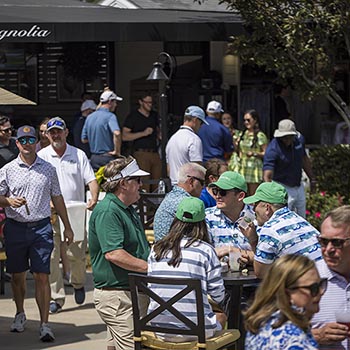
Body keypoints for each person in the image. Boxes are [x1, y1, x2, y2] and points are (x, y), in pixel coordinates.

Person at [0, 125, 74, 342]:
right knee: (17, 276)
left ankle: (44, 324)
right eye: (22, 141)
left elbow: (58, 198)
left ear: (37, 141)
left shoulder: (48, 169)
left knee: (43, 275)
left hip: (41, 227)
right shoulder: (7, 169)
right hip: (16, 227)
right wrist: (8, 201)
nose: (26, 144)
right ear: (17, 144)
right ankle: (20, 313)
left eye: (30, 140)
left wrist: (67, 226)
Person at [89, 156, 150, 350]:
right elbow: (114, 254)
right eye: (138, 180)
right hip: (119, 297)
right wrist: (152, 268)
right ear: (123, 184)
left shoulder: (124, 208)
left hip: (125, 294)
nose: (142, 185)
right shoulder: (109, 211)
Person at [38, 117, 99, 314]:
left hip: (75, 211)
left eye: (59, 131)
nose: (56, 135)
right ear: (47, 135)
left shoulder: (78, 154)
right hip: (51, 214)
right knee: (53, 257)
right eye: (52, 132)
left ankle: (78, 283)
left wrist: (94, 197)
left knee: (77, 255)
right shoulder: (42, 155)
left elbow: (91, 179)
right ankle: (57, 297)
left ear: (66, 133)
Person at [148, 197, 227, 341]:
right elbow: (218, 295)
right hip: (197, 332)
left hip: (159, 328)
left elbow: (151, 287)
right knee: (221, 316)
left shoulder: (156, 249)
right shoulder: (206, 251)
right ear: (202, 223)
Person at [245, 254, 327, 349]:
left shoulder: (261, 323)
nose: (321, 292)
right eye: (313, 288)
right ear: (287, 294)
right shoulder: (297, 341)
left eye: (321, 284)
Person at [242, 181, 322, 278]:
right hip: (324, 279)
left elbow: (261, 273)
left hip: (307, 284)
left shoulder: (270, 229)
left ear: (267, 208)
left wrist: (253, 240)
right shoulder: (298, 219)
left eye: (255, 205)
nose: (253, 209)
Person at [311, 205, 350, 349]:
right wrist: (316, 336)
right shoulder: (304, 280)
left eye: (337, 242)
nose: (328, 250)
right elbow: (274, 334)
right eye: (323, 241)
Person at [263, 119, 316, 218]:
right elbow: (267, 175)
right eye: (284, 137)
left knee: (302, 218)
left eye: (289, 137)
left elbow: (304, 160)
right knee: (283, 218)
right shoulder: (273, 149)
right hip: (281, 186)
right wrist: (271, 195)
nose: (286, 140)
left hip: (298, 184)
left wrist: (312, 179)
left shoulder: (299, 141)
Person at [205, 171, 255, 260]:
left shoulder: (255, 217)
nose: (217, 196)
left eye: (223, 192)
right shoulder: (207, 217)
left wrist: (233, 251)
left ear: (240, 196)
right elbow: (201, 253)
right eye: (215, 191)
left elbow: (267, 255)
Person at [153, 162, 206, 241]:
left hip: (165, 249)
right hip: (175, 250)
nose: (203, 187)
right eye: (202, 183)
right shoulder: (186, 203)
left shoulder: (172, 196)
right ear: (191, 181)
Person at [122, 93, 161, 192]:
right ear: (140, 102)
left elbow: (158, 130)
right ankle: (144, 206)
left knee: (157, 183)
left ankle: (155, 206)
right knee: (144, 183)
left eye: (151, 102)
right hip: (141, 152)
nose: (150, 105)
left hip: (155, 152)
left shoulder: (154, 115)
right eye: (147, 102)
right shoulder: (133, 116)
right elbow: (124, 136)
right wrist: (143, 133)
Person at [81, 90, 122, 171]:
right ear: (110, 102)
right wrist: (116, 151)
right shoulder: (110, 116)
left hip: (94, 158)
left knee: (97, 181)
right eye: (115, 102)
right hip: (108, 157)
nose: (116, 105)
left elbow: (84, 139)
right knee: (111, 182)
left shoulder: (89, 117)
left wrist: (96, 139)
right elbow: (117, 133)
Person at [166, 105, 207, 185]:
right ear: (195, 120)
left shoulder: (172, 139)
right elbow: (197, 167)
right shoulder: (194, 139)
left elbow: (168, 168)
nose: (201, 126)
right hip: (188, 186)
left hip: (173, 185)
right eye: (201, 122)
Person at [234, 110, 268, 195]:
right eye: (244, 120)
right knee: (243, 194)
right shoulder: (243, 134)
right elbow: (238, 151)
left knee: (253, 195)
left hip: (254, 168)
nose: (246, 122)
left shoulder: (260, 135)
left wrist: (254, 154)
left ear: (255, 120)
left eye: (248, 120)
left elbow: (266, 153)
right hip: (243, 167)